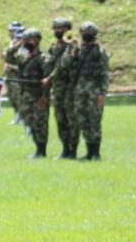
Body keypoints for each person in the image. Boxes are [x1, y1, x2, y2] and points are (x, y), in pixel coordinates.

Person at [71, 22, 110, 160]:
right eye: (84, 34)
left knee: (94, 120)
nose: (86, 36)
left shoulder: (100, 51)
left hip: (94, 91)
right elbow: (68, 65)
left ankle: (96, 152)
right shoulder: (78, 50)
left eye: (89, 34)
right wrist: (73, 50)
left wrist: (102, 93)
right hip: (80, 91)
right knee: (83, 120)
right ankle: (89, 151)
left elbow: (105, 73)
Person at [43, 18, 79, 159]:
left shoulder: (73, 46)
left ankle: (73, 150)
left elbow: (64, 65)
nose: (58, 31)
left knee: (71, 120)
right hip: (57, 90)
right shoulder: (54, 46)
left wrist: (49, 78)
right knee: (60, 119)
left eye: (61, 28)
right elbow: (49, 64)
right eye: (56, 28)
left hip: (70, 88)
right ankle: (65, 149)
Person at [15, 28, 51, 158]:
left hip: (38, 96)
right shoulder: (24, 55)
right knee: (30, 122)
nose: (25, 43)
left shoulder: (43, 58)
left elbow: (48, 79)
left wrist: (44, 97)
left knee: (40, 123)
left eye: (28, 40)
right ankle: (37, 149)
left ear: (36, 40)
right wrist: (20, 47)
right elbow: (11, 59)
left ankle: (42, 151)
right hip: (26, 95)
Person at [3, 21, 23, 125]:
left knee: (19, 97)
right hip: (10, 76)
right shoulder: (12, 43)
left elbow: (24, 64)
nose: (10, 33)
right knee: (12, 97)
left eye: (12, 31)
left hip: (17, 76)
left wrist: (12, 66)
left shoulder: (23, 46)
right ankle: (16, 117)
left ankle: (22, 118)